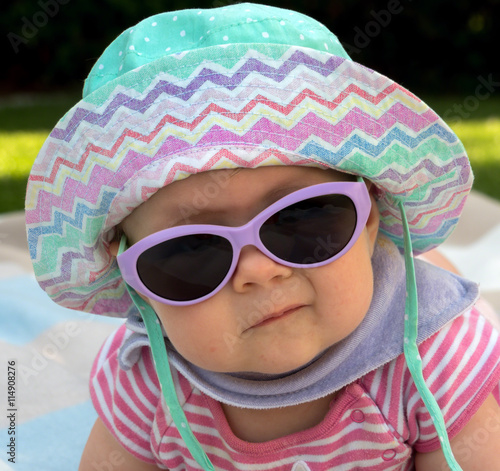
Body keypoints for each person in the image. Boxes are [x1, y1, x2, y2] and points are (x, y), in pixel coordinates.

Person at [25, 3, 500, 470]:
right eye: (190, 251)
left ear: (370, 212)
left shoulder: (431, 354)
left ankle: (429, 263)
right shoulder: (149, 381)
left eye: (303, 219)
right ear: (132, 276)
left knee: (443, 286)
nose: (258, 269)